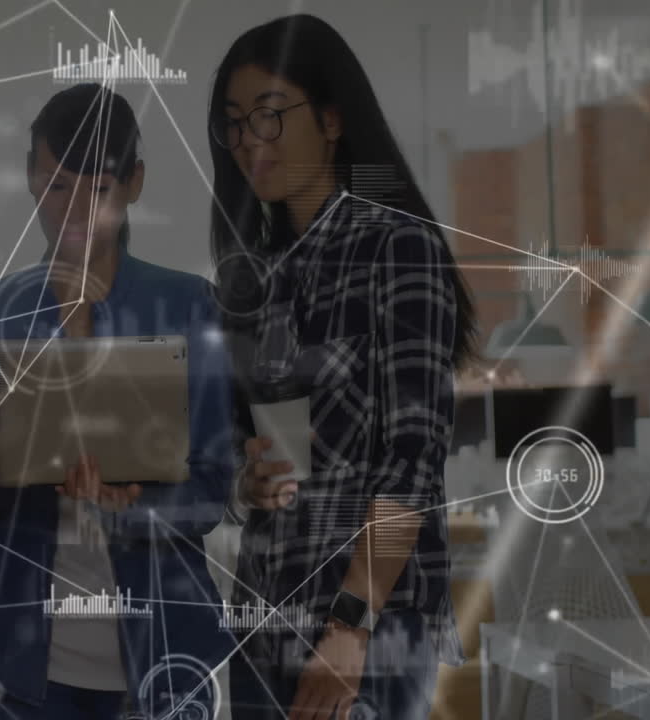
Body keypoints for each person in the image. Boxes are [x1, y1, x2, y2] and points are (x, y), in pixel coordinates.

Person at [0, 83, 236, 719]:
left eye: (96, 186)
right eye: (56, 185)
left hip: (162, 655)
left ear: (135, 183)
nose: (72, 210)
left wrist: (136, 506)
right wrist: (14, 455)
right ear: (31, 183)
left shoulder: (186, 308)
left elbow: (215, 487)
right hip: (14, 664)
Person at [206, 15, 479, 720]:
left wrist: (350, 625)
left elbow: (413, 456)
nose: (246, 142)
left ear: (331, 120)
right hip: (264, 618)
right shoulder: (254, 276)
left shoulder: (398, 247)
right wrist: (247, 479)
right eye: (233, 124)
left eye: (268, 117)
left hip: (368, 630)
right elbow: (243, 453)